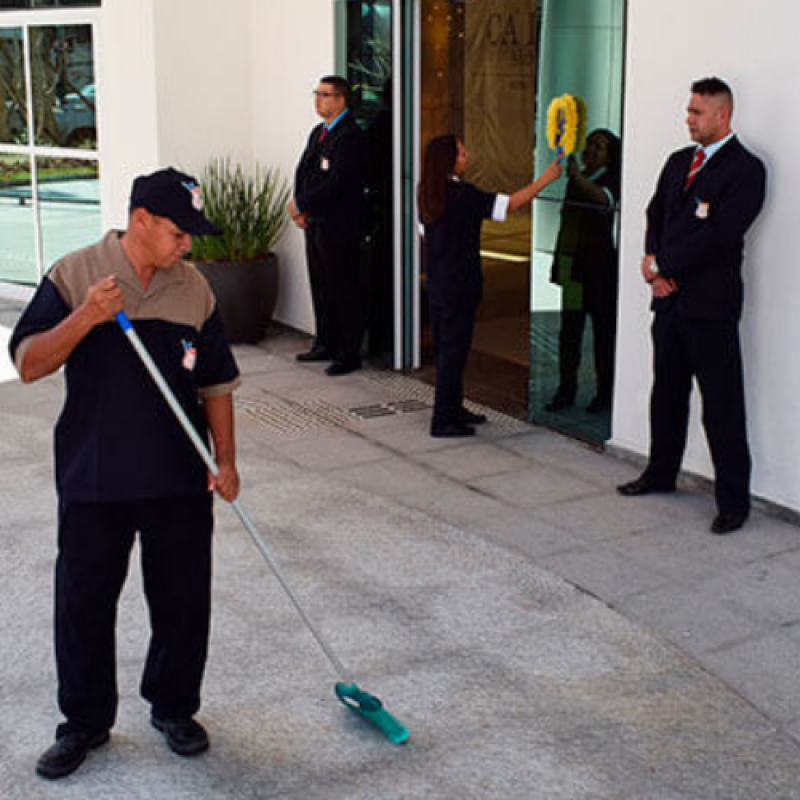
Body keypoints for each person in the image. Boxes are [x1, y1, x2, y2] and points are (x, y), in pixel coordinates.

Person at [9, 167, 242, 779]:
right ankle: (83, 722)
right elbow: (29, 363)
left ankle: (173, 708)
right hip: (94, 479)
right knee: (82, 605)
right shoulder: (76, 272)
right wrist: (85, 316)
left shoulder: (195, 291)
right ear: (141, 220)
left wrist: (226, 460)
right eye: (178, 232)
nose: (187, 244)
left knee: (183, 603)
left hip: (178, 481)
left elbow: (216, 381)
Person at [617, 77, 767, 535]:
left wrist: (664, 263)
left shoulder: (747, 169)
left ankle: (733, 503)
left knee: (721, 406)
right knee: (667, 394)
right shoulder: (679, 161)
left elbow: (722, 235)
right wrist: (656, 272)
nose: (689, 119)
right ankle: (660, 474)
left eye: (697, 113)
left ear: (722, 116)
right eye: (688, 111)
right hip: (669, 305)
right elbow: (654, 214)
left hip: (711, 307)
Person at [418, 135, 562, 437]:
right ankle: (443, 420)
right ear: (449, 160)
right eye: (461, 152)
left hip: (439, 284)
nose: (467, 156)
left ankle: (453, 408)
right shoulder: (461, 195)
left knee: (448, 349)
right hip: (459, 285)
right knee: (454, 353)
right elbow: (507, 206)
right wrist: (545, 180)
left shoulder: (427, 192)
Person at [289, 75, 367, 376]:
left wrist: (303, 204)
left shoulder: (350, 136)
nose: (318, 100)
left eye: (324, 95)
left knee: (343, 286)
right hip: (316, 222)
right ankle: (326, 342)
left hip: (339, 224)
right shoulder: (318, 133)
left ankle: (349, 352)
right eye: (316, 94)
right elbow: (304, 170)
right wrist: (300, 205)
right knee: (321, 283)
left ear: (340, 100)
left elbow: (338, 183)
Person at [546, 129, 622, 414]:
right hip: (573, 270)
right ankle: (566, 390)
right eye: (589, 144)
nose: (590, 150)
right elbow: (567, 226)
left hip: (599, 273)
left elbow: (604, 202)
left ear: (610, 155)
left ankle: (605, 394)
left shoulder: (609, 179)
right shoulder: (577, 182)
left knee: (603, 336)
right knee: (570, 334)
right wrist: (558, 263)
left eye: (598, 146)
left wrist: (575, 176)